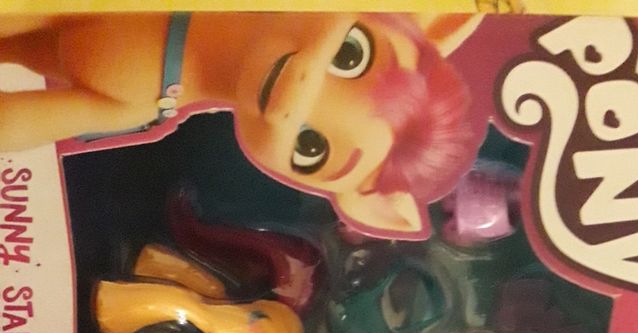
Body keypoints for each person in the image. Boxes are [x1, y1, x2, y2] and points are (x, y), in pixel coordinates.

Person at [0, 12, 479, 237]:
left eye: (309, 146)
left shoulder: (139, 102)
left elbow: (15, 122)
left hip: (145, 81)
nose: (298, 95)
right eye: (348, 53)